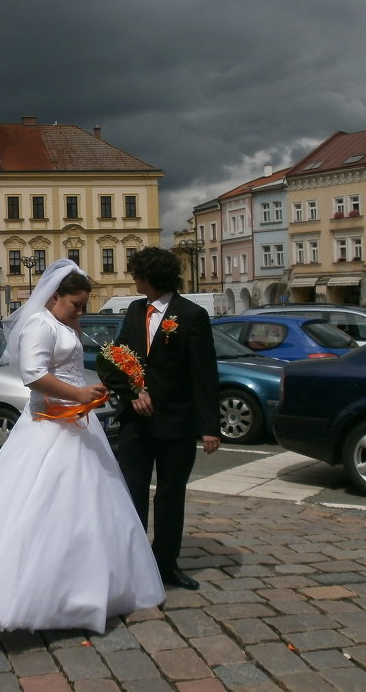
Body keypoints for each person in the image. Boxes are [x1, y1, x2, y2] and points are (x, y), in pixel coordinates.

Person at [0, 259, 165, 636]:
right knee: (40, 507)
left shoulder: (61, 322)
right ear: (53, 297)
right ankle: (37, 595)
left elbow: (68, 358)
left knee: (91, 509)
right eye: (76, 304)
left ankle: (92, 587)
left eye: (83, 306)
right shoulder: (39, 324)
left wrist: (78, 334)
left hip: (78, 423)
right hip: (50, 427)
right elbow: (34, 375)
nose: (80, 312)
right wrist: (79, 392)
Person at [115, 247, 220, 591]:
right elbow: (118, 358)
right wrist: (133, 392)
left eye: (137, 272)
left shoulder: (191, 315)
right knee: (132, 492)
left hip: (176, 422)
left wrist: (210, 427)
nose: (133, 278)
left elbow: (204, 373)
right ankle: (132, 562)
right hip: (136, 423)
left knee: (170, 495)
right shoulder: (134, 310)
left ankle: (165, 564)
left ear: (152, 276)